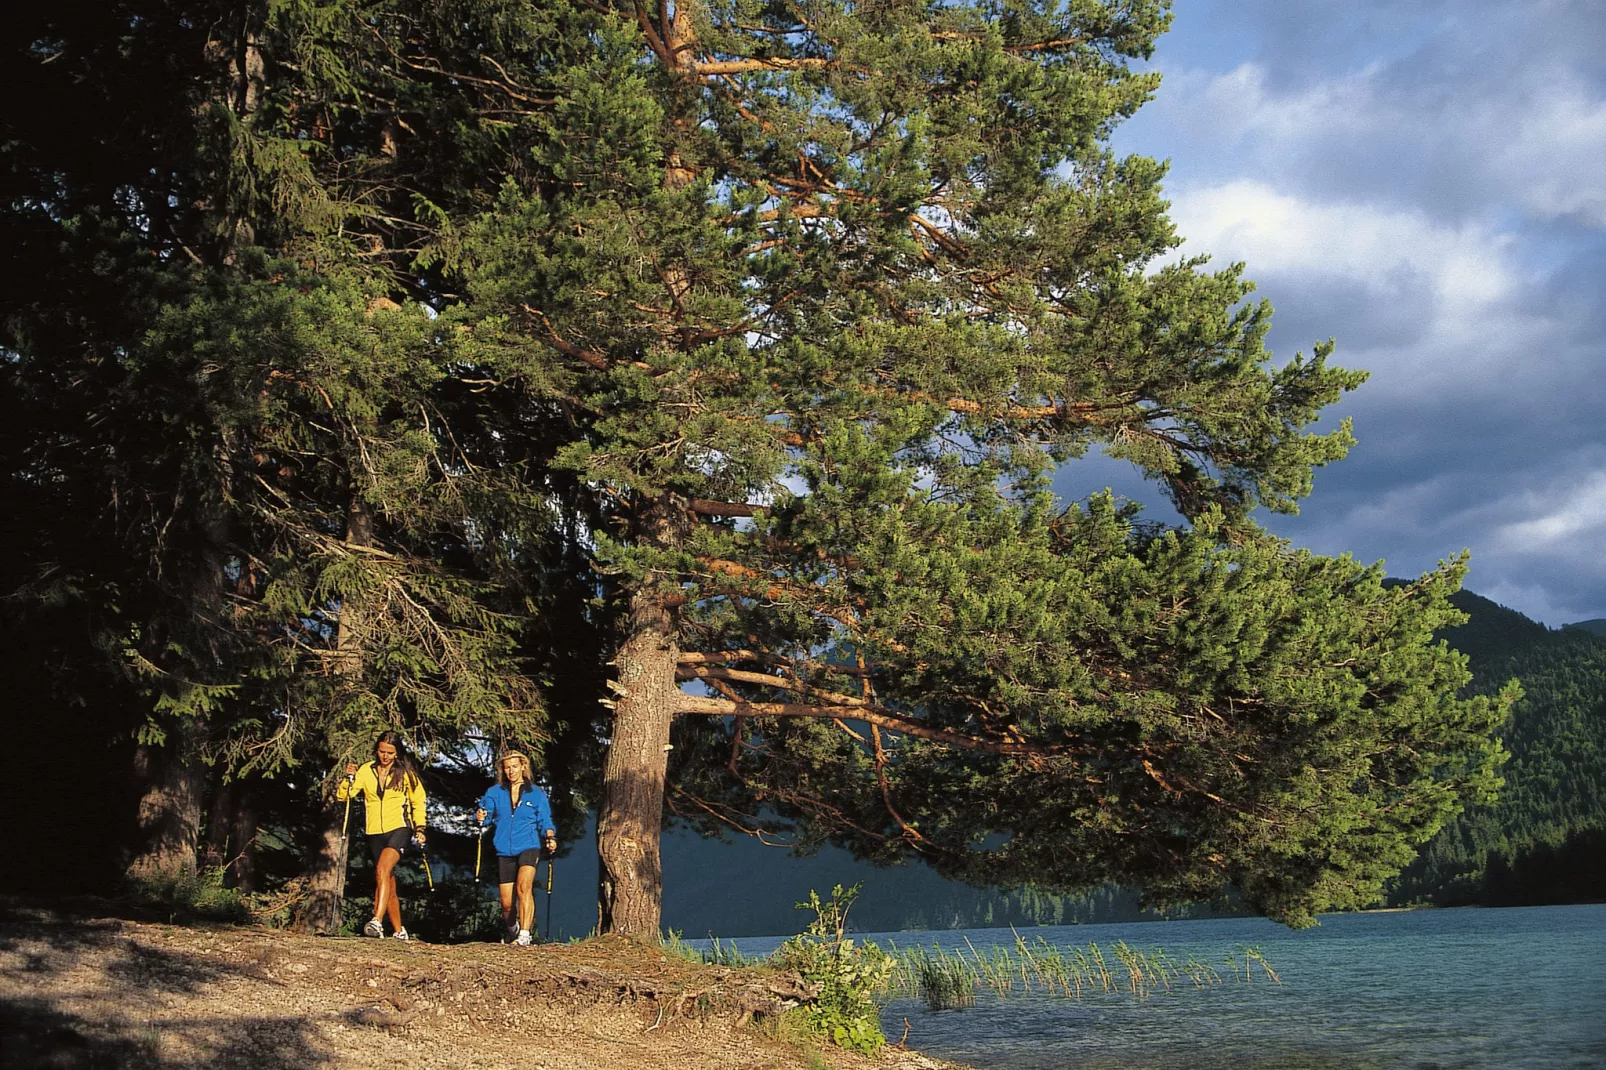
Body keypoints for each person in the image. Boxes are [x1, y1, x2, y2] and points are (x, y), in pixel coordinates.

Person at [337, 731, 428, 940]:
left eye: (389, 752)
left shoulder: (406, 773)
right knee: (387, 881)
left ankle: (376, 921)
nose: (385, 756)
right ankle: (399, 931)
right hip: (374, 832)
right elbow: (345, 795)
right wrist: (348, 778)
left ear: (397, 753)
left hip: (399, 828)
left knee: (382, 868)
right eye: (381, 751)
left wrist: (420, 828)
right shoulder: (366, 770)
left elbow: (418, 801)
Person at [476, 750, 557, 946]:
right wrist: (480, 816)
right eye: (507, 767)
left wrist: (550, 836)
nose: (511, 771)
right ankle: (513, 931)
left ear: (523, 766)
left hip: (529, 846)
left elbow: (545, 819)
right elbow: (485, 813)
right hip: (504, 849)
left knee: (524, 887)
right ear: (502, 770)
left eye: (514, 766)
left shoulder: (535, 793)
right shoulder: (495, 792)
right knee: (506, 904)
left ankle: (525, 935)